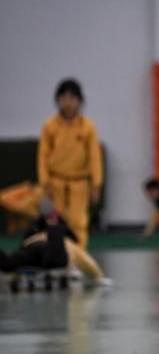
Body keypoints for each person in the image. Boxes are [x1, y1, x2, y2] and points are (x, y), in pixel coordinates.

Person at [37, 78, 103, 248]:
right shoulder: (50, 126)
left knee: (78, 222)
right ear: (57, 100)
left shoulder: (87, 127)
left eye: (72, 98)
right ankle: (57, 258)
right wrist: (45, 184)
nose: (68, 103)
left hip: (79, 182)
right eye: (64, 98)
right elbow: (43, 157)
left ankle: (78, 259)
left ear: (79, 101)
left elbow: (95, 157)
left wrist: (96, 185)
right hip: (55, 181)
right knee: (54, 221)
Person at [1, 208, 111, 286]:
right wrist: (98, 277)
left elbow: (19, 253)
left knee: (7, 264)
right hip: (47, 250)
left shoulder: (33, 236)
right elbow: (86, 261)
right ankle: (56, 228)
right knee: (56, 259)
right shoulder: (68, 243)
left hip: (31, 248)